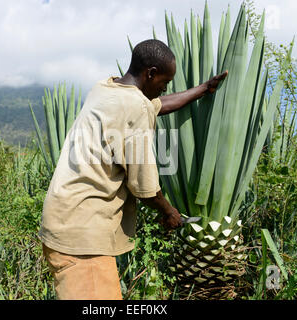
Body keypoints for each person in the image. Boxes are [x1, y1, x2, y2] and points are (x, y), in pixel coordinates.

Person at [38, 39, 228, 300]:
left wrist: (204, 89)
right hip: (84, 238)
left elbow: (156, 105)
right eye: (164, 81)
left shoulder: (105, 88)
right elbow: (145, 187)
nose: (165, 88)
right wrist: (169, 212)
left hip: (62, 221)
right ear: (150, 73)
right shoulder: (135, 107)